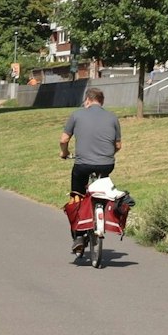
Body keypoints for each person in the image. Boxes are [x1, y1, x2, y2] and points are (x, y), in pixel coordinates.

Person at [60, 87, 121, 250]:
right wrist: (107, 155)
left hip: (83, 165)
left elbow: (64, 139)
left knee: (77, 194)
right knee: (103, 188)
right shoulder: (112, 117)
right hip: (107, 164)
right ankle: (102, 211)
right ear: (102, 102)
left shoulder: (77, 114)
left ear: (87, 100)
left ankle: (79, 235)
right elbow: (118, 145)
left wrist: (64, 153)